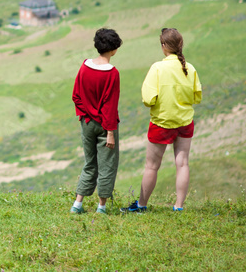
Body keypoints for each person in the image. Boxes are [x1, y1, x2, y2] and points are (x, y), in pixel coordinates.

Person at [122, 27, 202, 213]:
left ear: (164, 46)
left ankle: (141, 205)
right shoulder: (190, 68)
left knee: (152, 166)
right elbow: (197, 97)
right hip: (185, 122)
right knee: (182, 163)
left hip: (162, 123)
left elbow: (148, 99)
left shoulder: (157, 68)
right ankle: (179, 207)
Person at [70, 28, 122, 214]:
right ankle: (101, 207)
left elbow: (76, 96)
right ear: (114, 49)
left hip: (86, 123)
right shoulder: (112, 73)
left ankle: (77, 204)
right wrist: (109, 132)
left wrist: (86, 115)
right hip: (105, 125)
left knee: (89, 163)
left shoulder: (84, 66)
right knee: (107, 164)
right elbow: (110, 105)